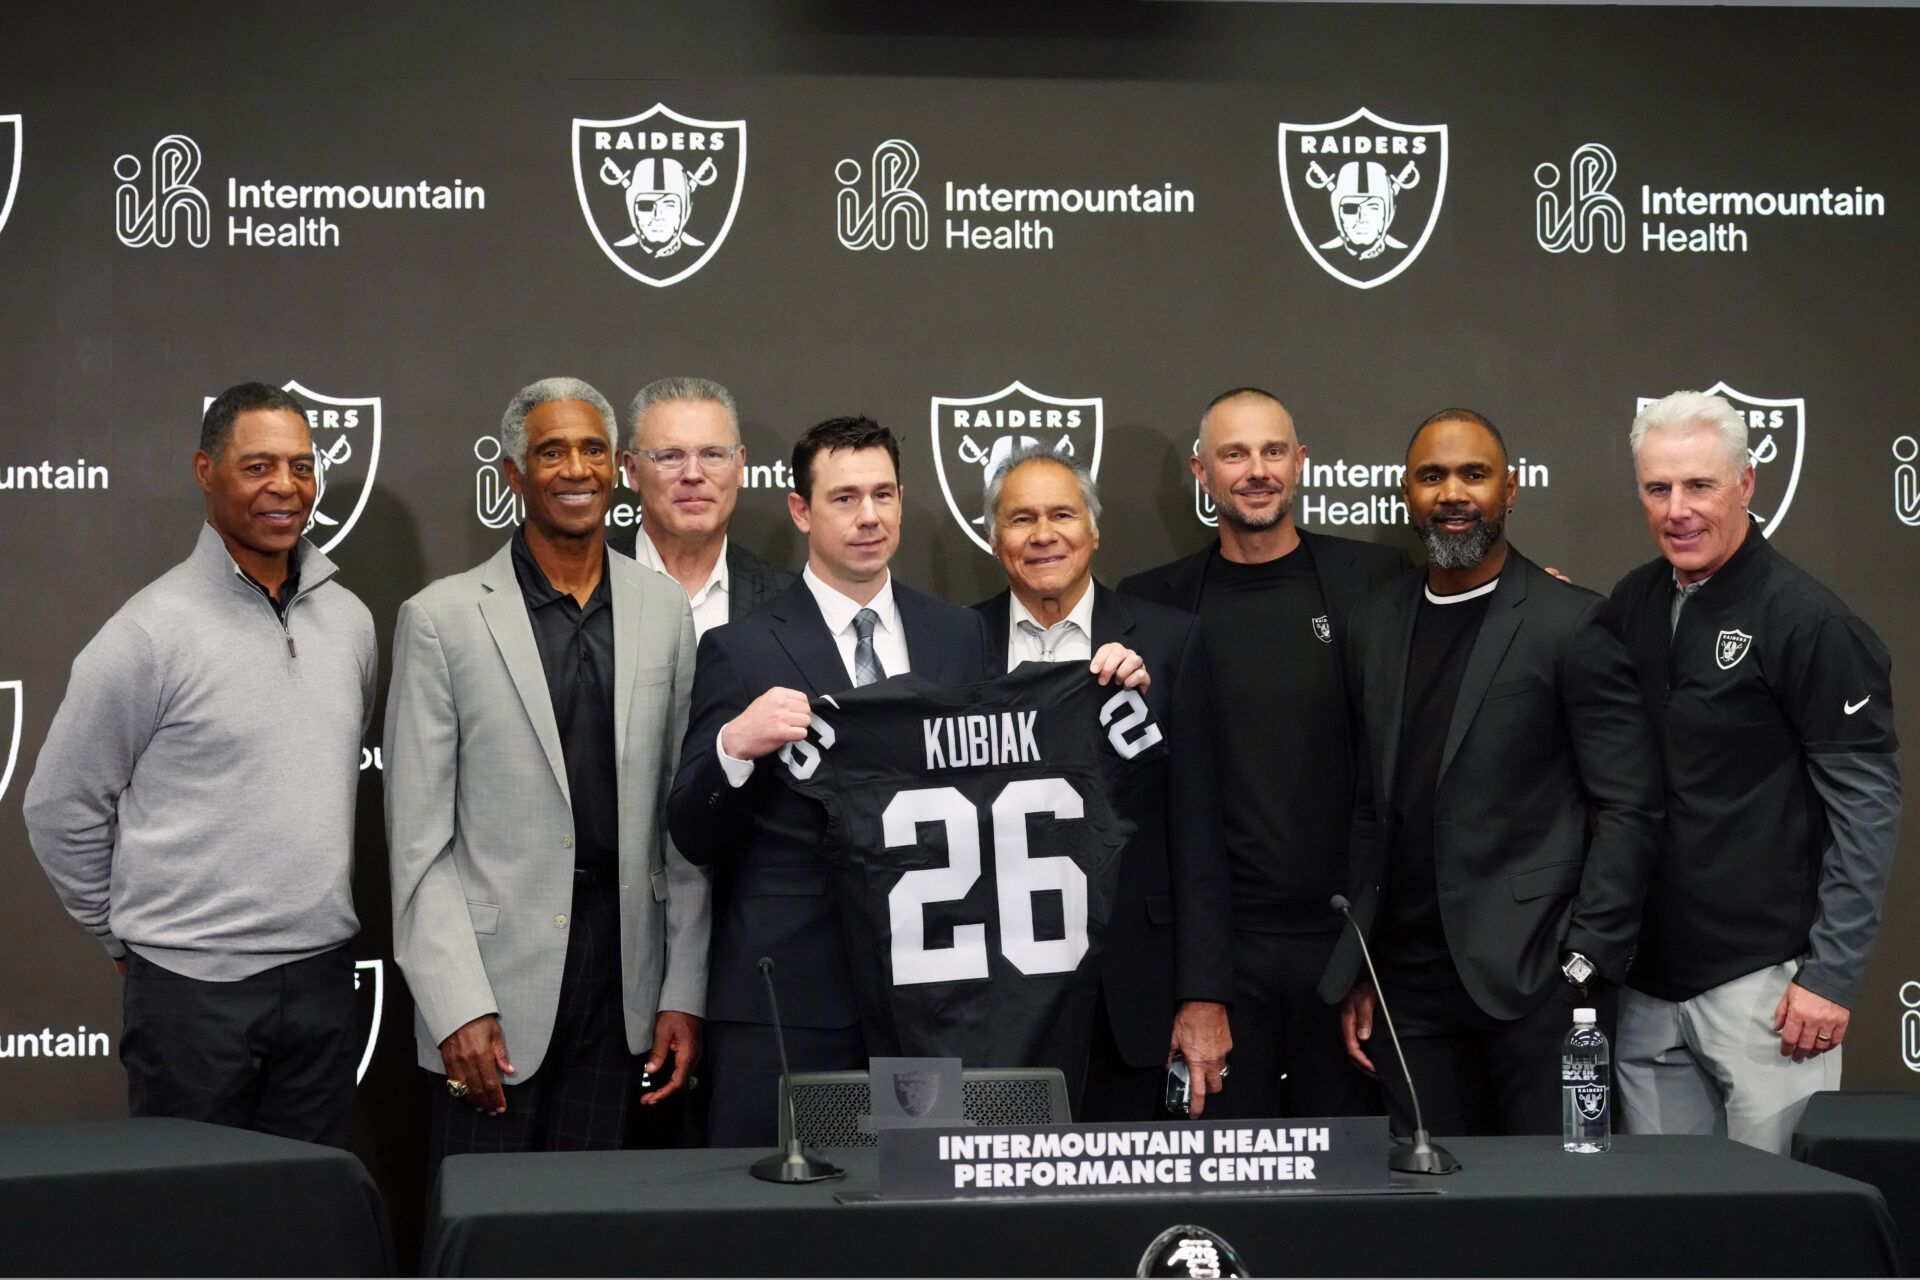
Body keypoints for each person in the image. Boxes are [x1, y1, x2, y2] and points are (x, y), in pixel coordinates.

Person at [24, 382, 376, 1145]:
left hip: (321, 985)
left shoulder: (351, 622)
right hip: (189, 999)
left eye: (301, 466)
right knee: (193, 1209)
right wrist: (125, 936)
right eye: (258, 466)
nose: (286, 486)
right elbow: (59, 806)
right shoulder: (147, 633)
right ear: (205, 471)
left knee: (309, 1209)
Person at [385, 377, 707, 1161]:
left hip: (625, 981)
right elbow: (418, 845)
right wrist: (457, 1005)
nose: (575, 469)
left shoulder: (663, 609)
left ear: (618, 468)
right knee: (483, 1216)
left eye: (593, 450)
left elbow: (682, 823)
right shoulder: (441, 619)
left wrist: (682, 989)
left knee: (590, 1216)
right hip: (492, 988)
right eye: (552, 452)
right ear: (513, 475)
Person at [1324, 408, 1660, 1137]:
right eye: (1432, 476)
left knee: (1554, 1194)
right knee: (1428, 1194)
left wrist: (1585, 962)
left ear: (1509, 490)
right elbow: (1369, 804)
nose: (1452, 493)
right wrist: (1361, 963)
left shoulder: (1570, 622)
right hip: (1407, 987)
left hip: (1538, 981)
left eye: (1473, 474)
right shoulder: (1374, 621)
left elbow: (1629, 806)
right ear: (1406, 494)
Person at [667, 415, 995, 1147]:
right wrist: (732, 747)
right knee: (774, 1208)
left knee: (921, 1198)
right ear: (801, 510)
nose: (869, 516)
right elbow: (691, 830)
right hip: (788, 997)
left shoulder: (959, 635)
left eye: (883, 494)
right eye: (844, 498)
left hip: (931, 995)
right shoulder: (741, 649)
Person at [1606, 390, 1901, 1153]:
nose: (1677, 509)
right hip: (1645, 987)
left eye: (1699, 485)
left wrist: (1831, 976)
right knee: (1660, 1221)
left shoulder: (1808, 620)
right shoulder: (1632, 603)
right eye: (1658, 488)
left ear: (1745, 483)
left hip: (1768, 992)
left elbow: (1866, 811)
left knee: (1772, 1219)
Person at [1119, 387, 1402, 1119]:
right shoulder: (1151, 605)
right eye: (1234, 454)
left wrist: (1367, 961)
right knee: (1226, 1172)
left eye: (1273, 451)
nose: (1257, 470)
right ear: (1201, 472)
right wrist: (1198, 987)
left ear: (1300, 462)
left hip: (1344, 952)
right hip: (1220, 955)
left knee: (1350, 1171)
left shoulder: (1378, 584)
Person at [972, 444, 1233, 1119]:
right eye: (1021, 518)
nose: (1043, 534)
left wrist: (1203, 996)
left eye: (1062, 514)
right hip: (995, 1000)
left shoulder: (1169, 644)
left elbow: (1198, 834)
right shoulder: (953, 645)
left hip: (1133, 994)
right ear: (994, 538)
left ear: (1093, 531)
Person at [607, 376, 794, 635]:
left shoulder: (789, 599)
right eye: (670, 456)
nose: (693, 474)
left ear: (740, 466)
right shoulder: (587, 585)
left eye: (712, 454)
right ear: (632, 471)